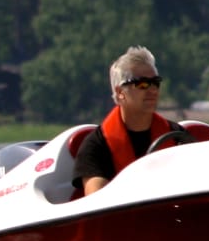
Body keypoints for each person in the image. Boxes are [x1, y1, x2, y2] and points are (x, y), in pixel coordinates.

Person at [73, 47, 174, 197]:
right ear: (120, 93)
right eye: (142, 84)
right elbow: (96, 203)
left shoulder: (177, 137)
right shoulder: (96, 147)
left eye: (155, 82)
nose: (152, 90)